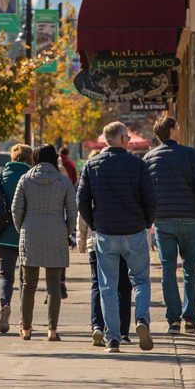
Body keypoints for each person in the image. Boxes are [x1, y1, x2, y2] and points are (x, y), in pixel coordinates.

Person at [77, 121, 157, 354]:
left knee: (107, 286)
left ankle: (112, 338)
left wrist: (95, 222)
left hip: (106, 233)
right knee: (140, 281)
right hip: (134, 232)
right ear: (122, 138)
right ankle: (141, 320)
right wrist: (146, 222)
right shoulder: (137, 164)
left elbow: (82, 201)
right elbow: (150, 197)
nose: (129, 141)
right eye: (128, 138)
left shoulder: (91, 165)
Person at [144, 114, 195, 334]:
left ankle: (173, 321)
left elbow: (145, 193)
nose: (181, 130)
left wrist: (147, 219)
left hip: (162, 220)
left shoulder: (149, 158)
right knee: (190, 270)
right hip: (189, 219)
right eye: (178, 127)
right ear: (173, 130)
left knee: (167, 270)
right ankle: (191, 319)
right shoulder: (190, 154)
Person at [11, 143, 77, 341]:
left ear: (35, 159)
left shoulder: (25, 180)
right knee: (54, 285)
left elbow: (16, 210)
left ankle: (27, 329)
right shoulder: (63, 181)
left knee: (28, 284)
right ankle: (52, 331)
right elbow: (73, 212)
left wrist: (22, 228)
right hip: (56, 232)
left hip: (29, 233)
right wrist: (66, 231)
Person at [77, 150, 132, 346]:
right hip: (120, 236)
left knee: (98, 286)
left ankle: (97, 326)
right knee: (123, 287)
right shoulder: (118, 180)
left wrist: (82, 240)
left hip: (96, 240)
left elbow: (82, 213)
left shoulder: (91, 177)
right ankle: (122, 332)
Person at [0, 143, 33, 333]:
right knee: (25, 278)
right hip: (26, 234)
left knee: (5, 275)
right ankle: (24, 318)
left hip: (3, 234)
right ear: (30, 158)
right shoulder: (30, 178)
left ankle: (5, 306)